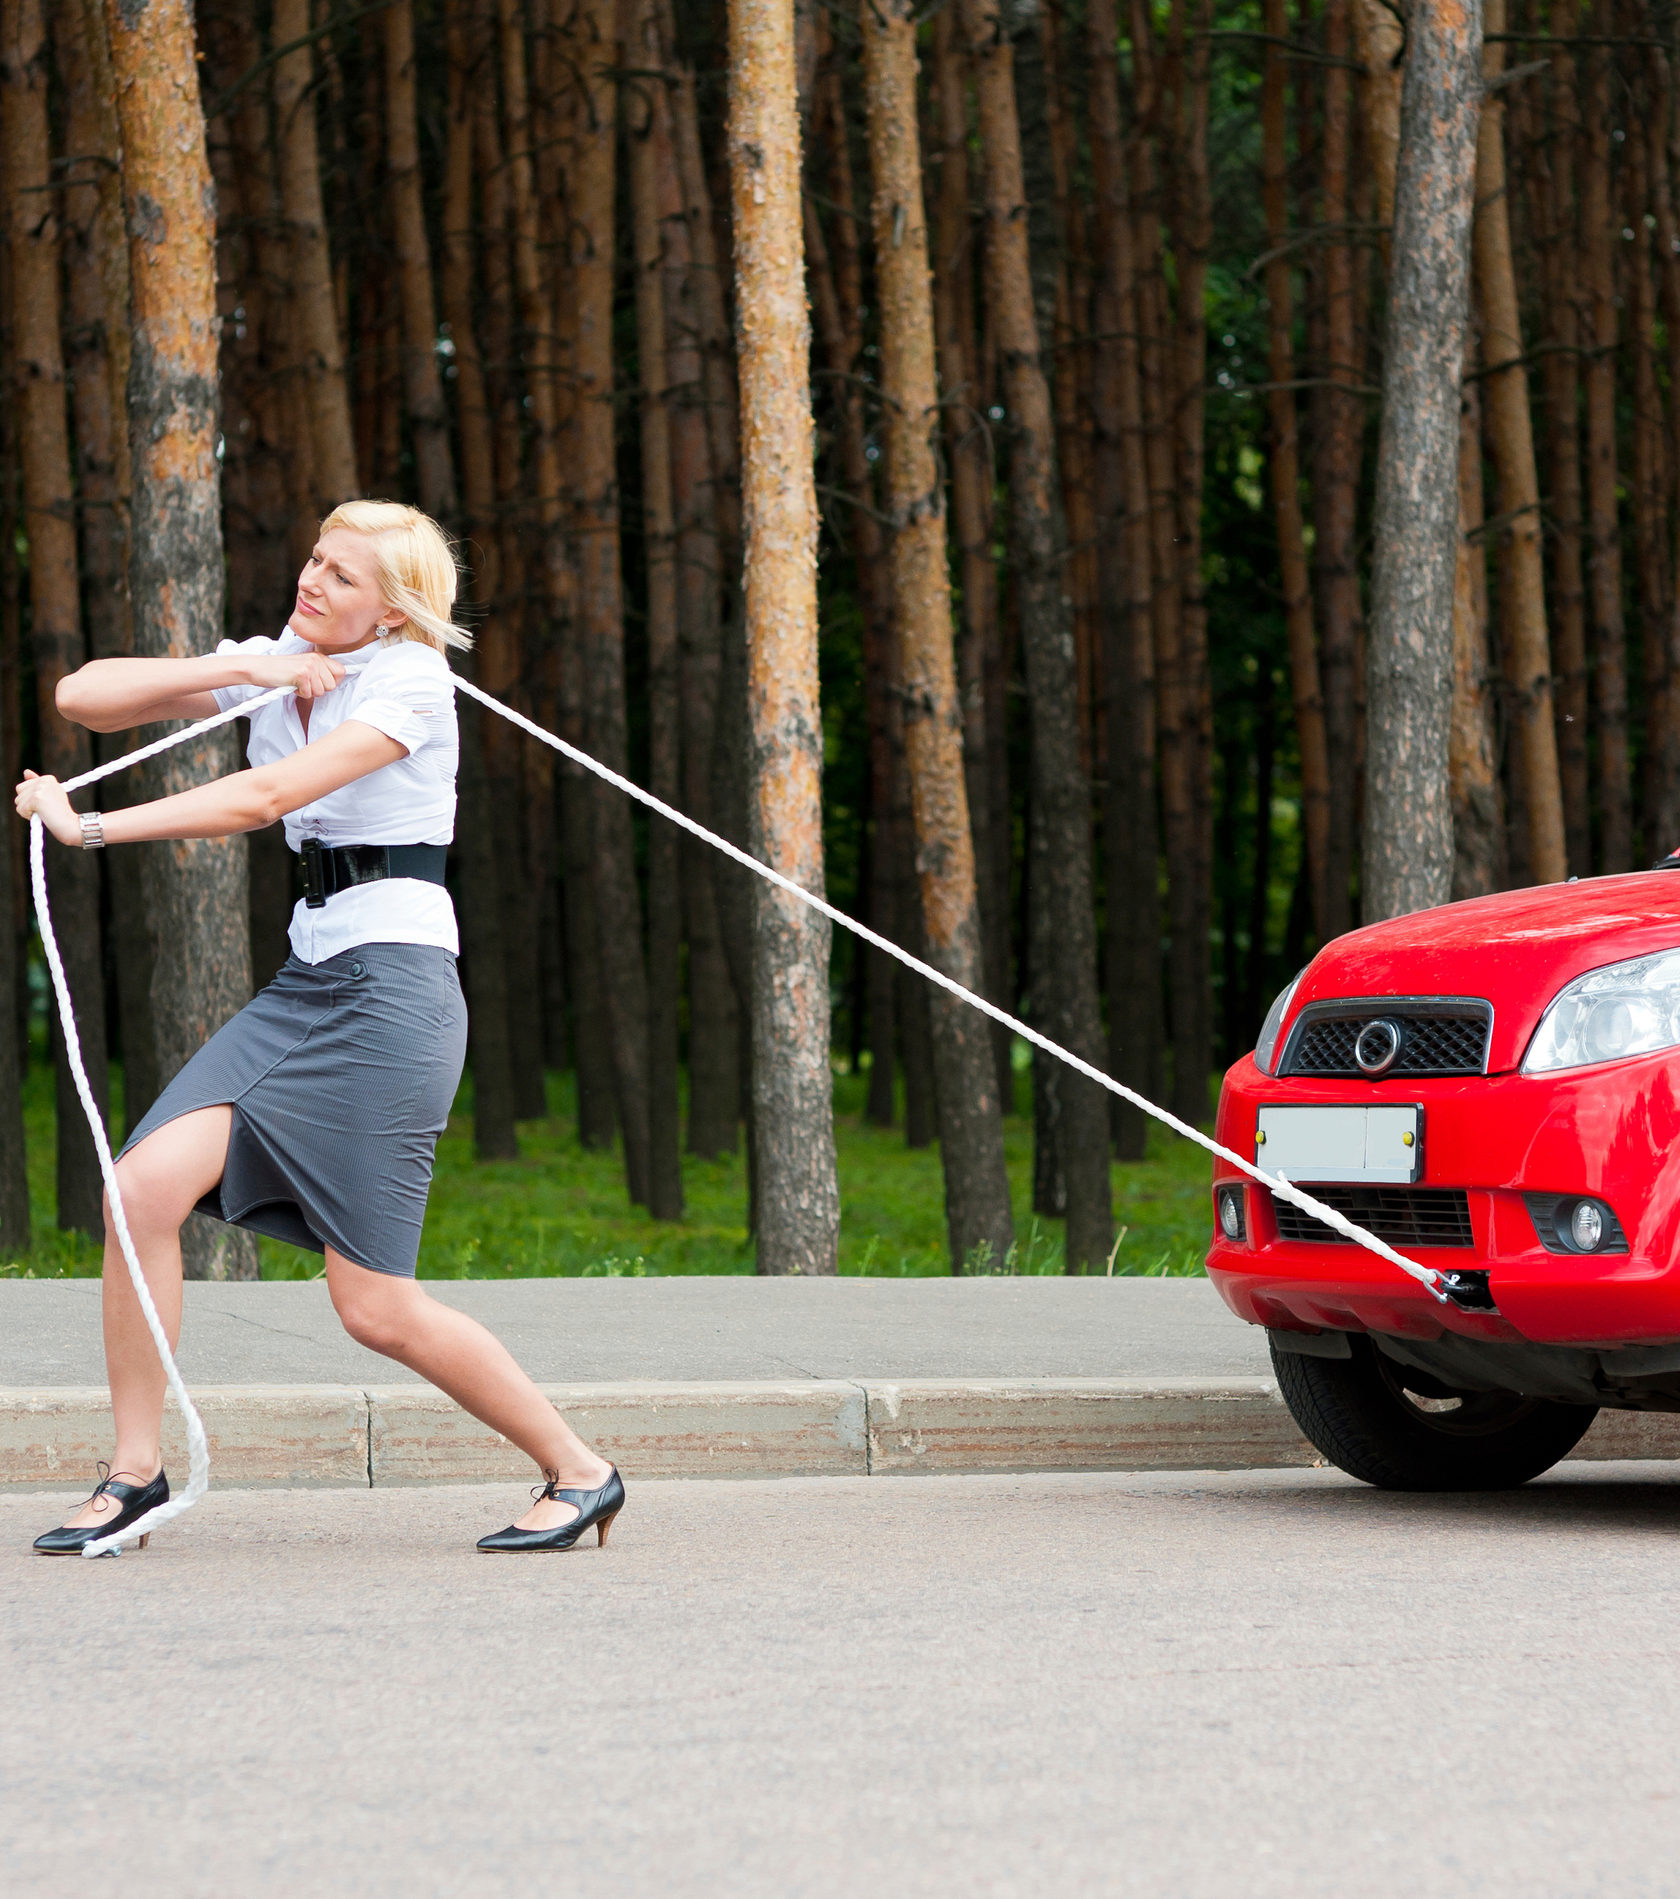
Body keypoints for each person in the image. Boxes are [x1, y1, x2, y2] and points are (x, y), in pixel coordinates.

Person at [14, 500, 621, 1557]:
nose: (315, 582)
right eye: (315, 559)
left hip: (392, 995)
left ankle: (581, 1471)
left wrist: (93, 825)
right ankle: (135, 1474)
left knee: (374, 1308)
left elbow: (270, 796)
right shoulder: (287, 654)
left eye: (343, 577)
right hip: (310, 983)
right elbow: (83, 696)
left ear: (392, 608)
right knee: (139, 1193)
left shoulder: (411, 680)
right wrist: (241, 670)